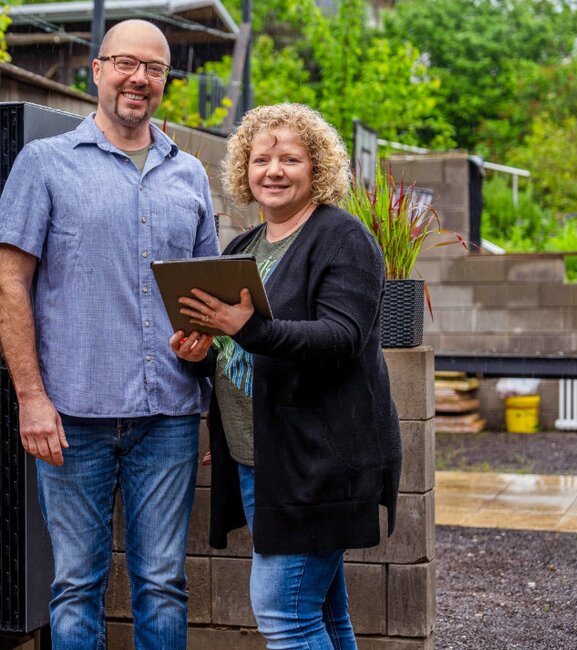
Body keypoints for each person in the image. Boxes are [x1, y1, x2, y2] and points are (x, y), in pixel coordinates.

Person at [0, 20, 219, 650]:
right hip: (73, 415)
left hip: (170, 415)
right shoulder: (43, 164)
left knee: (162, 583)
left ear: (165, 82)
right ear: (97, 70)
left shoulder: (191, 176)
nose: (139, 79)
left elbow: (203, 297)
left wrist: (203, 346)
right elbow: (10, 283)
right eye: (126, 63)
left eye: (154, 69)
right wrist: (30, 397)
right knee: (74, 586)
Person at [171, 103, 402, 649]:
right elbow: (240, 352)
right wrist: (200, 350)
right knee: (322, 612)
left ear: (317, 168)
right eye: (260, 159)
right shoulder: (242, 249)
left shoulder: (343, 239)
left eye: (290, 159)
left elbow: (341, 339)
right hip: (263, 459)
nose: (273, 171)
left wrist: (245, 328)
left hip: (320, 460)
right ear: (244, 171)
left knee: (284, 615)